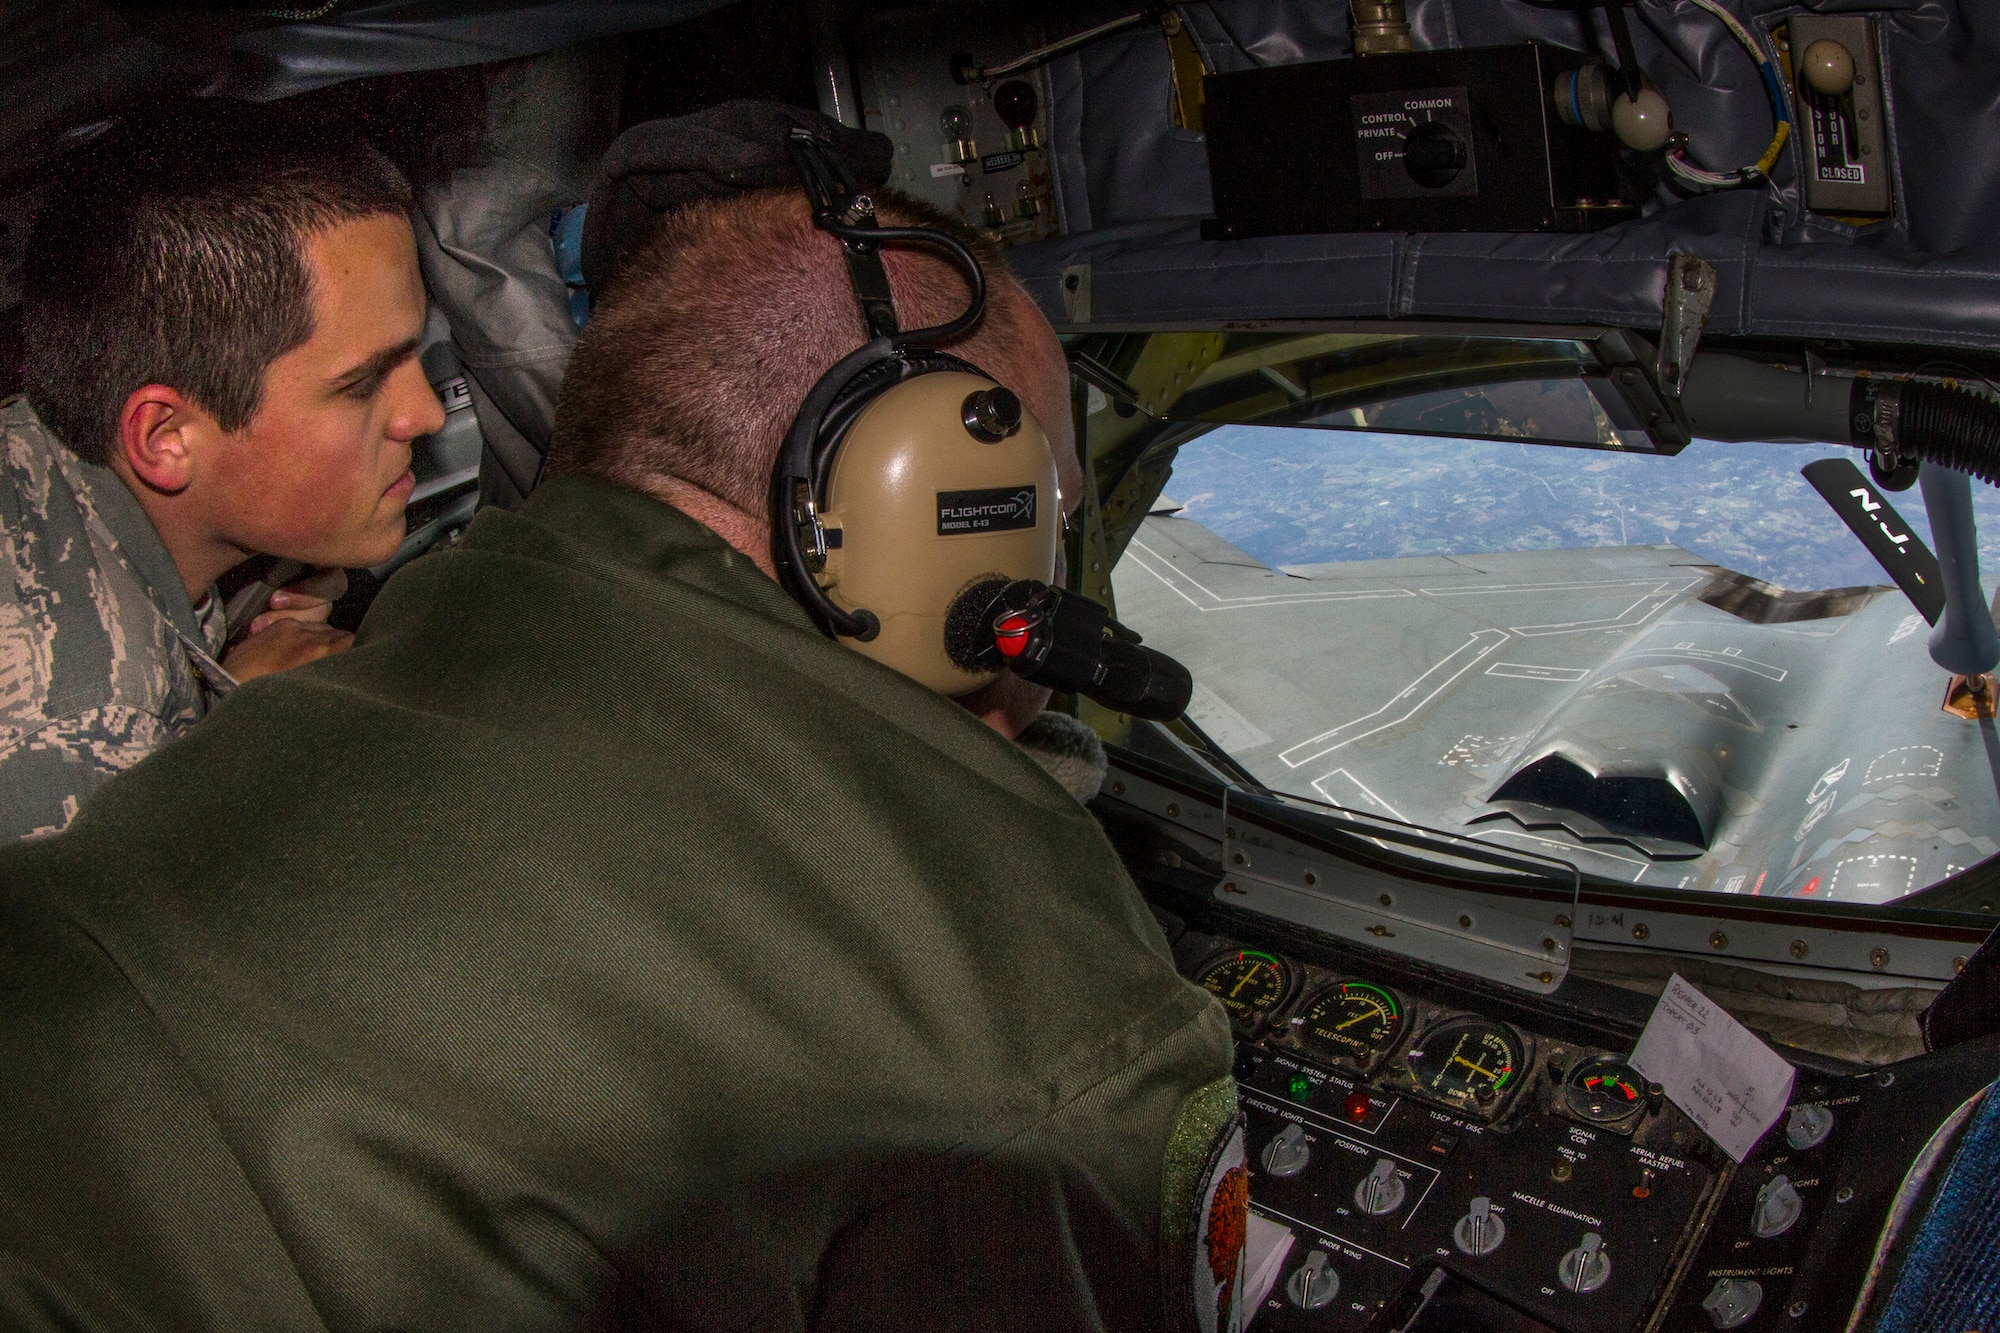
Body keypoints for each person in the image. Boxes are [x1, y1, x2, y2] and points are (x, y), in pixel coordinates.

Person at [0, 174, 1243, 1331]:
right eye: (1051, 515)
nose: (423, 417)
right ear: (931, 511)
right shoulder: (1043, 1044)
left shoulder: (427, 616)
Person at [0, 106, 447, 839]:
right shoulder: (81, 745)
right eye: (363, 383)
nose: (425, 414)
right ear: (166, 438)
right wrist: (236, 748)